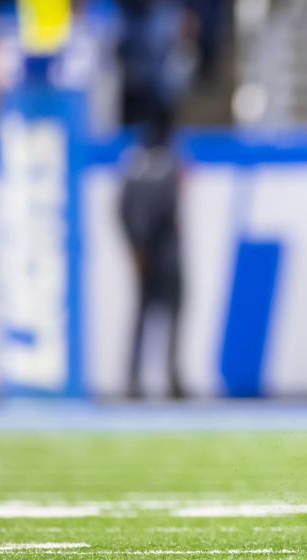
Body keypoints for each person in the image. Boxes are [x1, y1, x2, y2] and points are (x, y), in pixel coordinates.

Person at [119, 103, 184, 399]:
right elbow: (165, 210)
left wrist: (135, 247)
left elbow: (120, 210)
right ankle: (171, 379)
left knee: (142, 318)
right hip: (166, 255)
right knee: (172, 317)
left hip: (143, 254)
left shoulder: (132, 167)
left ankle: (133, 379)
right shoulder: (170, 166)